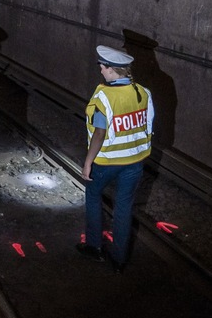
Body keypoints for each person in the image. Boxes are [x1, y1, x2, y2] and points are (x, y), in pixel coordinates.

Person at [77, 44, 155, 273]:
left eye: (103, 67)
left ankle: (94, 247)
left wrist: (88, 161)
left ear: (112, 70)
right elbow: (147, 124)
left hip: (107, 162)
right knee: (124, 207)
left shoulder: (104, 96)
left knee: (93, 196)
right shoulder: (143, 92)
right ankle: (119, 260)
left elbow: (99, 133)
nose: (101, 71)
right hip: (135, 161)